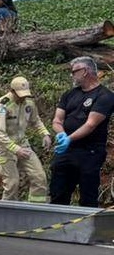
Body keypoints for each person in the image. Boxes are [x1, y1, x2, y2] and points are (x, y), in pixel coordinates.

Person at [49, 57, 114, 208]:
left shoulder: (105, 96)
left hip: (89, 153)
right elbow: (57, 120)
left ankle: (87, 230)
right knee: (58, 192)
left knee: (88, 196)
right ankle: (56, 227)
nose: (72, 75)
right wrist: (61, 134)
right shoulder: (69, 94)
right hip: (66, 152)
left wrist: (69, 138)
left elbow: (91, 124)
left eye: (74, 72)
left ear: (85, 71)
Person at [0, 76, 52, 202]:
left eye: (25, 94)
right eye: (20, 94)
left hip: (23, 144)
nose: (23, 97)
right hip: (4, 147)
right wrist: (15, 149)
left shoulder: (28, 103)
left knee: (39, 177)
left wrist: (45, 134)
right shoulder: (2, 105)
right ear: (12, 91)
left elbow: (36, 121)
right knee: (12, 183)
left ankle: (35, 210)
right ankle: (7, 214)